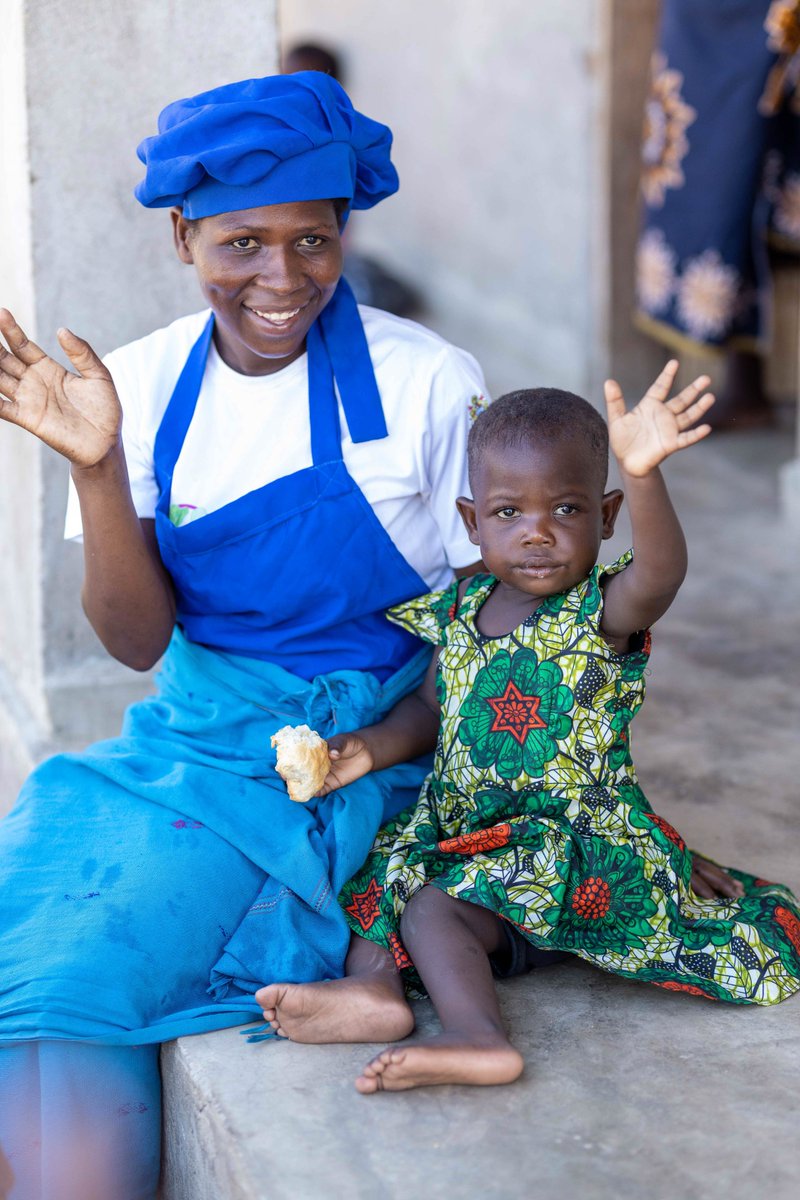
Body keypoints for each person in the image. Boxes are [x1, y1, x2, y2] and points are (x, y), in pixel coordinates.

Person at [0, 72, 487, 1198]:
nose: (281, 280)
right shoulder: (139, 384)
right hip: (193, 730)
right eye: (242, 244)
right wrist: (96, 469)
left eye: (311, 242)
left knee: (85, 972)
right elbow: (132, 643)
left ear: (343, 231)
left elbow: (500, 620)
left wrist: (398, 748)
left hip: (368, 752)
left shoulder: (423, 384)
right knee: (33, 912)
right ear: (183, 237)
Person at [256, 362, 800, 1093]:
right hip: (476, 846)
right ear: (471, 521)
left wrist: (644, 475)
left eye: (567, 510)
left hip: (570, 853)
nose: (538, 533)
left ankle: (479, 1038)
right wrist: (369, 748)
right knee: (382, 873)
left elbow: (662, 575)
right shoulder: (459, 610)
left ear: (605, 518)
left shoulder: (600, 613)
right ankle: (378, 994)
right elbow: (430, 710)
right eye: (509, 513)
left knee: (432, 900)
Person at [635, 0, 800, 428]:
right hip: (707, 18)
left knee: (735, 168)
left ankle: (747, 389)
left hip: (761, 16)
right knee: (718, 175)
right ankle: (745, 387)